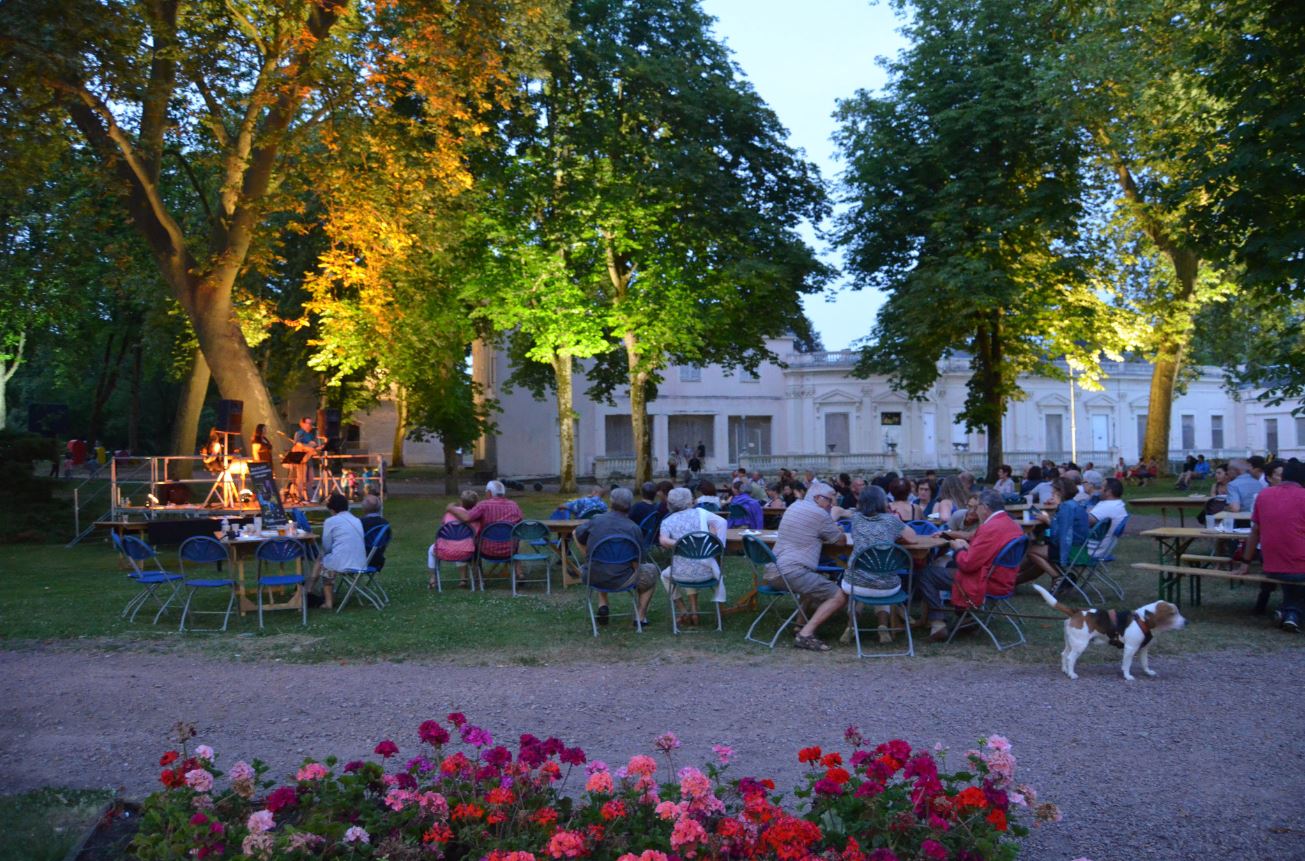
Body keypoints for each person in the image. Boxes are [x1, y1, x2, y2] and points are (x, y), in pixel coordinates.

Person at [918, 490, 1024, 641]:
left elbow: (967, 564)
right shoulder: (1011, 524)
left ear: (985, 507)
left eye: (978, 506)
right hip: (1004, 579)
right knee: (950, 566)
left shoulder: (990, 528)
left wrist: (958, 549)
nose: (976, 510)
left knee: (927, 573)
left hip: (986, 581)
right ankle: (966, 617)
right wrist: (955, 540)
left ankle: (938, 624)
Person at [764, 481, 847, 652]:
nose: (831, 505)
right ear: (817, 498)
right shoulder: (820, 514)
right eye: (829, 501)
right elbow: (841, 541)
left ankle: (799, 625)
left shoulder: (794, 506)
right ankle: (806, 635)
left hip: (774, 571)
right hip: (792, 573)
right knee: (839, 596)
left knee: (811, 581)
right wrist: (836, 526)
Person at [574, 487, 659, 627]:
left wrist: (586, 555)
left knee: (601, 561)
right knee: (651, 571)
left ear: (611, 502)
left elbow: (576, 534)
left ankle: (603, 604)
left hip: (593, 575)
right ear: (630, 505)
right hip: (623, 578)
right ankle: (640, 616)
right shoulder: (634, 528)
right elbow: (640, 560)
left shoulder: (596, 521)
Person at [849, 486, 923, 643]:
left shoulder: (855, 519)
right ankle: (883, 626)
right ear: (882, 501)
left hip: (855, 584)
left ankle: (851, 626)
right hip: (887, 586)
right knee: (880, 578)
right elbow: (913, 537)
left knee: (860, 579)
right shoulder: (891, 520)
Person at [1240, 460, 1305, 632]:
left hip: (1270, 564)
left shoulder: (1264, 495)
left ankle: (1287, 611)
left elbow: (1255, 532)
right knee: (1296, 573)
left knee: (1291, 573)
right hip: (1299, 564)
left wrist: (1245, 561)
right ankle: (1290, 613)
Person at [658, 487, 729, 626]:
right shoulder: (701, 513)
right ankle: (694, 612)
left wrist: (680, 544)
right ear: (689, 500)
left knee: (665, 575)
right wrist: (715, 544)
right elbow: (722, 522)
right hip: (707, 572)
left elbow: (663, 541)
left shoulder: (667, 521)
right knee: (692, 564)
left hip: (680, 573)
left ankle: (684, 611)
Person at [309, 492, 368, 603]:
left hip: (344, 562)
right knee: (326, 560)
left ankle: (321, 597)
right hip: (361, 562)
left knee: (322, 561)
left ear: (332, 509)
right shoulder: (357, 520)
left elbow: (326, 546)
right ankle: (311, 590)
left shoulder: (331, 521)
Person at [447, 480, 524, 565]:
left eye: (486, 492)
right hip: (510, 549)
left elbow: (466, 518)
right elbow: (520, 525)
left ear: (490, 492)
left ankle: (475, 573)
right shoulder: (514, 505)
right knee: (514, 537)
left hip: (486, 550)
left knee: (471, 542)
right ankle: (518, 572)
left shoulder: (483, 505)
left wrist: (451, 508)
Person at [429, 490, 480, 589]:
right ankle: (463, 579)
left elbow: (442, 527)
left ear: (461, 501)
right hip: (467, 551)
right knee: (463, 544)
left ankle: (433, 578)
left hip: (446, 550)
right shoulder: (476, 516)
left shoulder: (449, 514)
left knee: (432, 550)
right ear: (476, 503)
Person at [291, 416, 321, 502]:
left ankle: (309, 496)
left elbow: (314, 445)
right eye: (308, 423)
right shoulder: (299, 433)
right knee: (301, 478)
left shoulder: (311, 435)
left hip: (309, 459)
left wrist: (318, 447)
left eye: (311, 423)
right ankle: (300, 496)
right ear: (302, 424)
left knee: (311, 478)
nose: (310, 425)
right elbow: (298, 444)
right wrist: (309, 447)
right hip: (301, 459)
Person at [359, 493, 388, 571]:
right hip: (378, 560)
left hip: (359, 560)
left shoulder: (360, 523)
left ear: (364, 508)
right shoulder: (385, 523)